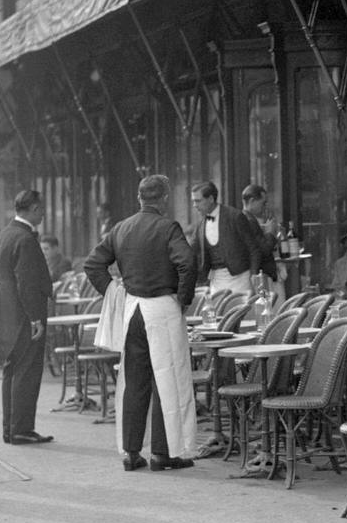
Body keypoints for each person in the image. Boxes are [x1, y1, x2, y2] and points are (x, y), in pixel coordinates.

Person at [85, 173, 197, 472]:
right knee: (167, 379)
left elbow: (93, 263)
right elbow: (187, 261)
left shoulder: (121, 228)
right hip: (162, 307)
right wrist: (184, 299)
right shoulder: (167, 228)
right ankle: (163, 452)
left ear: (139, 198)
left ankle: (132, 452)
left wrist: (113, 290)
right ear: (164, 198)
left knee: (133, 381)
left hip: (133, 309)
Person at [0, 190, 54, 445]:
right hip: (24, 313)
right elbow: (26, 282)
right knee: (27, 371)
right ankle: (22, 429)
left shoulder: (3, 235)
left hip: (5, 312)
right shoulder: (25, 239)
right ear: (34, 208)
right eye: (41, 210)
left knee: (11, 369)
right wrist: (35, 318)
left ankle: (11, 428)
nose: (43, 214)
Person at [189, 181, 263, 296]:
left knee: (239, 313)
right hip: (216, 282)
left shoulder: (235, 216)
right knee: (217, 313)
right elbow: (191, 251)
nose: (194, 205)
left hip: (240, 279)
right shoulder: (200, 225)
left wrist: (254, 273)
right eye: (193, 201)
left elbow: (254, 248)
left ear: (211, 199)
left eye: (198, 201)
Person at [240, 183, 280, 286]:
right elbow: (264, 250)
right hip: (261, 275)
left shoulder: (245, 218)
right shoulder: (250, 221)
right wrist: (271, 232)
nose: (265, 207)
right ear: (252, 201)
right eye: (263, 203)